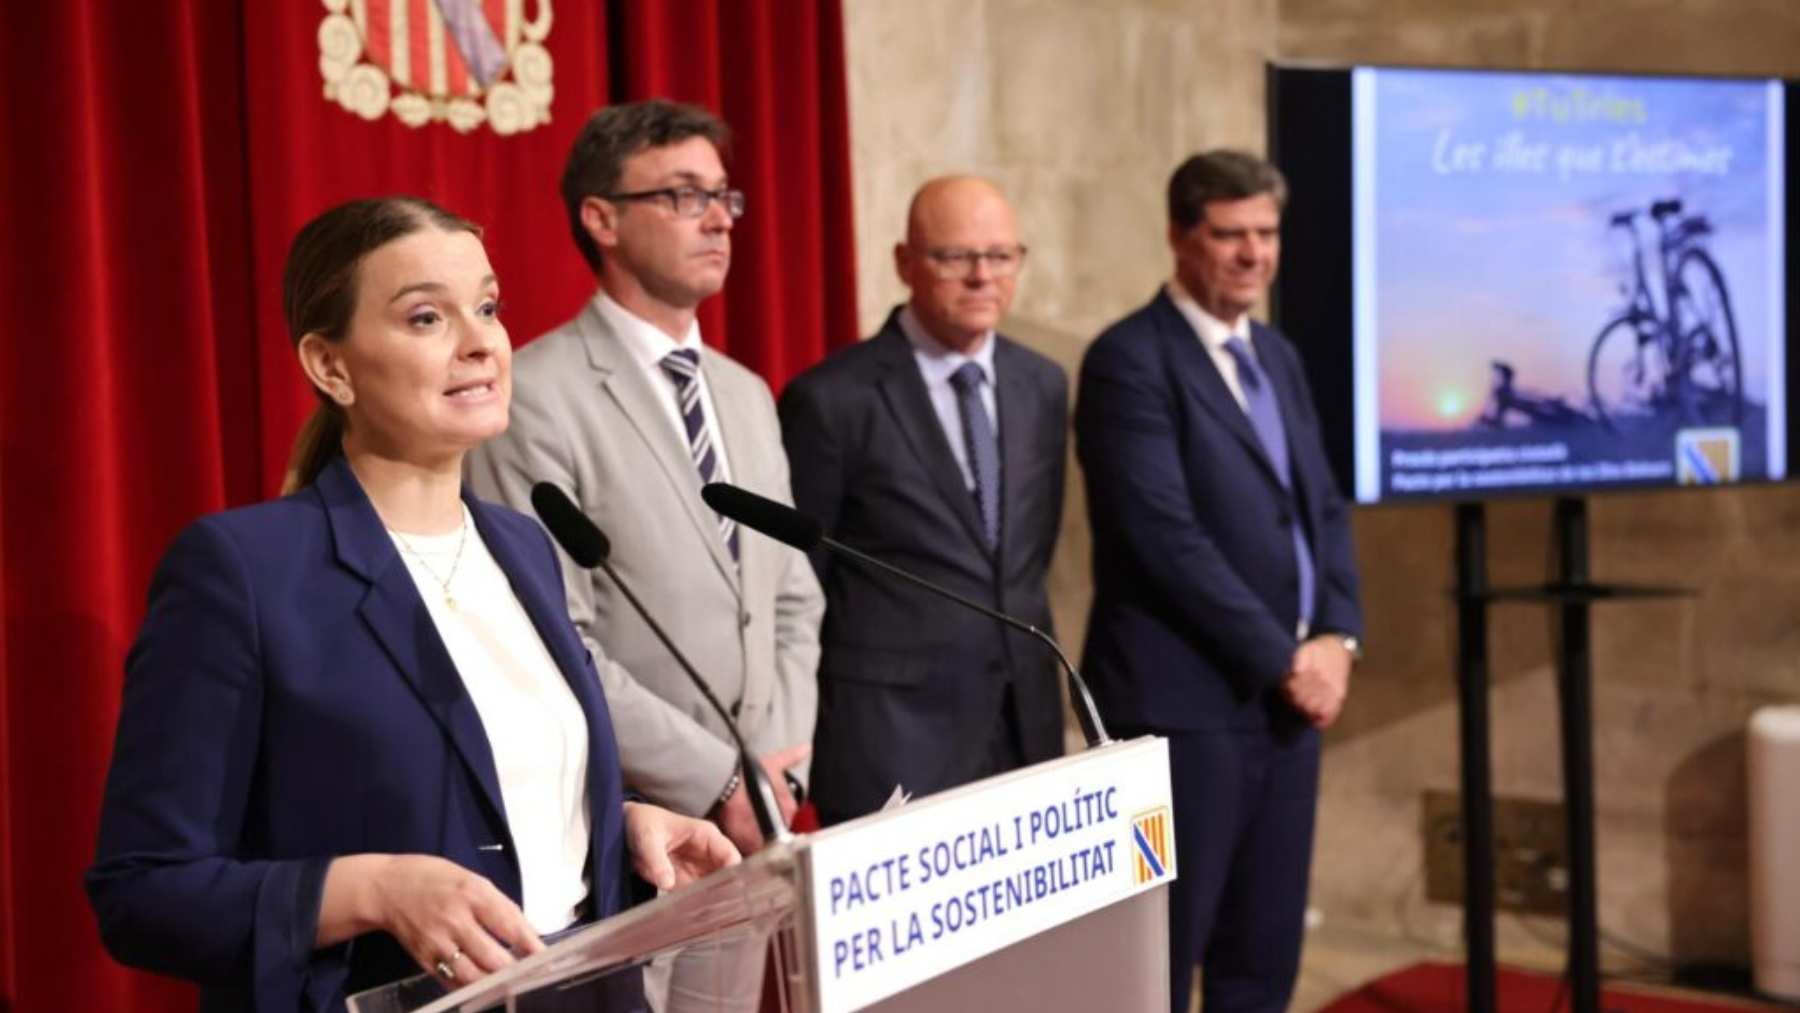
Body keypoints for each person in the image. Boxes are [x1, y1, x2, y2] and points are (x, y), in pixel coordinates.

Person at [86, 196, 737, 1013]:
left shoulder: (525, 545)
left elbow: (486, 788)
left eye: (489, 308)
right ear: (330, 366)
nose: (482, 343)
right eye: (427, 317)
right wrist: (369, 888)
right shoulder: (244, 571)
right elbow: (143, 892)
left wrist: (615, 824)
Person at [464, 100, 823, 1009]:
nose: (718, 217)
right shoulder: (536, 394)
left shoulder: (744, 393)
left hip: (758, 816)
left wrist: (780, 756)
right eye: (684, 194)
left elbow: (790, 599)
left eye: (724, 195)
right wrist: (719, 776)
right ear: (602, 218)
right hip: (636, 830)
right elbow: (557, 642)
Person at [1075, 151, 1365, 1013]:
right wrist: (1287, 657)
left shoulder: (1275, 354)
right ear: (1179, 236)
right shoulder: (1130, 359)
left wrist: (1339, 639)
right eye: (1230, 234)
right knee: (1163, 960)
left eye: (1266, 233)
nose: (1253, 253)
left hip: (1286, 709)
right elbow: (1163, 538)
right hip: (1181, 709)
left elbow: (1322, 507)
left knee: (1263, 959)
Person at [779, 176, 1067, 825]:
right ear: (906, 263)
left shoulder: (1042, 384)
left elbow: (1028, 553)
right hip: (890, 738)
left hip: (1025, 725)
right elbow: (800, 584)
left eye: (999, 257)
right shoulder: (832, 400)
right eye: (954, 257)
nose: (980, 276)